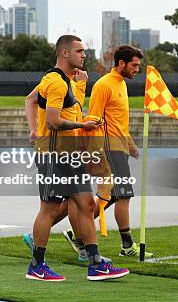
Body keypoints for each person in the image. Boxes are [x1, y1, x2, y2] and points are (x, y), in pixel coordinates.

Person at [24, 35, 128, 281]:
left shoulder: (62, 81)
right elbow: (53, 121)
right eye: (80, 51)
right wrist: (83, 125)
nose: (84, 55)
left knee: (87, 204)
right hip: (54, 155)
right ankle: (36, 266)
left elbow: (30, 100)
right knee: (49, 209)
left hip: (70, 154)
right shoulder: (56, 82)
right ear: (64, 54)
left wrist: (33, 128)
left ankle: (96, 263)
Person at [85, 45, 152, 258]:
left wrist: (130, 144)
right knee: (123, 196)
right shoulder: (104, 85)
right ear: (121, 63)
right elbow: (92, 120)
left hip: (120, 148)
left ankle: (77, 233)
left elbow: (117, 122)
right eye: (134, 65)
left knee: (112, 197)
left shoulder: (121, 84)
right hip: (108, 149)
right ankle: (127, 246)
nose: (137, 69)